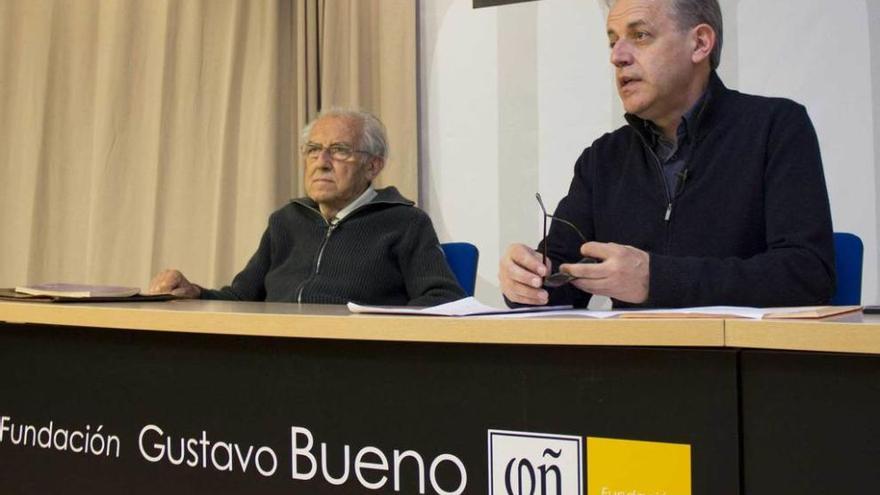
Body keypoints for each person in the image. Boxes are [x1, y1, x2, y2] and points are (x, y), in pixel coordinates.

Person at [500, 0, 835, 308]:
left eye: (640, 35)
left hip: (741, 364)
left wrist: (657, 279)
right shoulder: (603, 158)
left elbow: (807, 275)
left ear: (700, 43)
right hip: (630, 366)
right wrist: (527, 279)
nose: (617, 56)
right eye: (612, 41)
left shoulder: (775, 128)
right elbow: (562, 281)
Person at [149, 109, 465, 306]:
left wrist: (377, 327)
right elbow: (242, 298)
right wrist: (194, 293)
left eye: (339, 150)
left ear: (373, 166)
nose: (321, 163)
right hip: (275, 356)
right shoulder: (285, 221)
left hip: (359, 364)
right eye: (313, 150)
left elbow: (442, 299)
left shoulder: (404, 222)